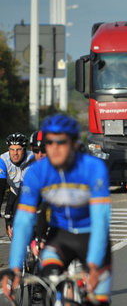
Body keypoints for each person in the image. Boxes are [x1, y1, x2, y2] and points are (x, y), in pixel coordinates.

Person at [2, 114, 112, 305]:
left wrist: (94, 265)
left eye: (61, 142)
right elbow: (24, 221)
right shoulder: (36, 172)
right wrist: (15, 268)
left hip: (91, 234)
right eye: (49, 143)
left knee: (98, 297)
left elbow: (101, 220)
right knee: (48, 285)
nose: (54, 148)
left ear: (74, 143)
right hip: (60, 236)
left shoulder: (93, 168)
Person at [0, 133, 35, 239]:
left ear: (24, 149)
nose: (15, 153)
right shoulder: (3, 160)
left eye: (18, 149)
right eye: (12, 149)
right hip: (14, 191)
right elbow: (1, 188)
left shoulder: (32, 158)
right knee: (9, 222)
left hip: (30, 192)